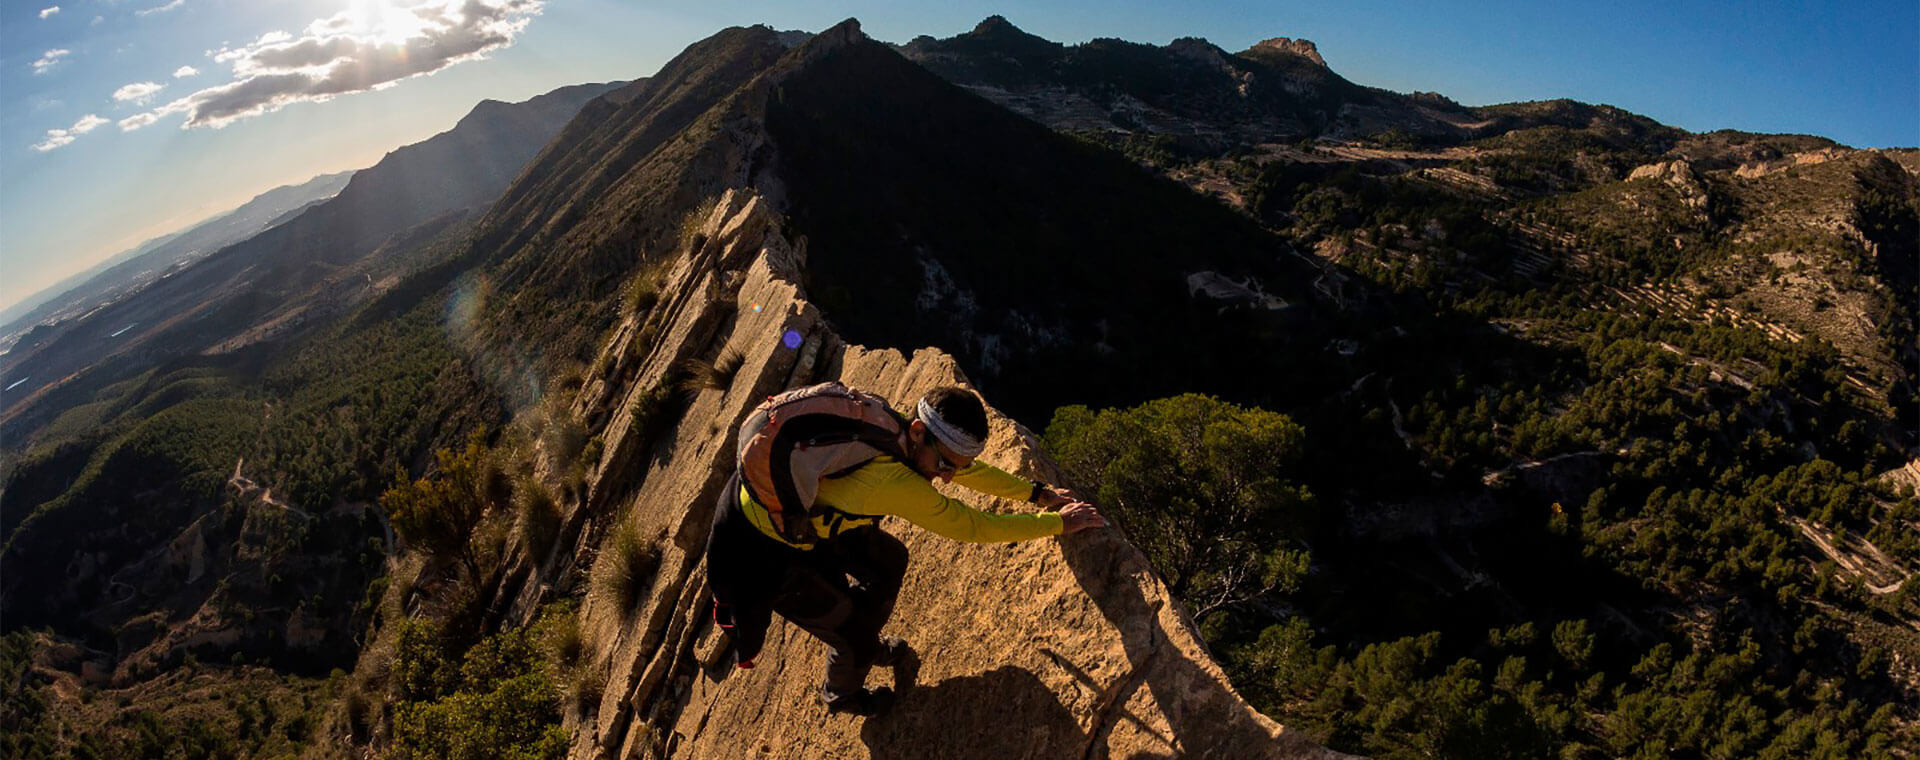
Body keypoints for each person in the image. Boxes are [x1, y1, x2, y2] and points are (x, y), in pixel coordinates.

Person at [703, 384, 1106, 716]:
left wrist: (1037, 494)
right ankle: (843, 691)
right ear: (917, 430)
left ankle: (858, 636)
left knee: (889, 562)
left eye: (955, 467)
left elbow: (969, 471)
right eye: (945, 465)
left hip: (812, 516)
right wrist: (1058, 523)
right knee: (854, 633)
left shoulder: (893, 427)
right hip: (768, 553)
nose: (947, 477)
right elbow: (972, 525)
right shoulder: (896, 483)